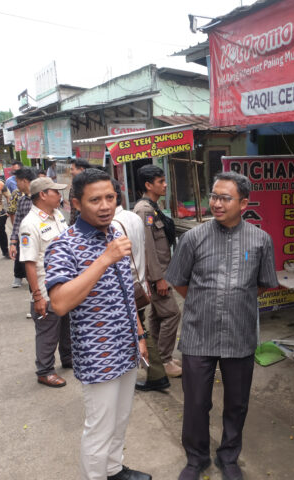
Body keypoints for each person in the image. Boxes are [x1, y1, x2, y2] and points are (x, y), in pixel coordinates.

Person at [166, 171, 278, 480]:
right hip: (198, 333)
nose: (216, 203)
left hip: (239, 335)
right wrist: (205, 302)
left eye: (224, 198)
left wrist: (235, 302)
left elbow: (264, 285)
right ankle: (196, 457)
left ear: (243, 203)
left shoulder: (260, 240)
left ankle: (229, 457)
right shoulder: (193, 238)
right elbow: (178, 281)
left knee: (237, 402)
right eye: (214, 196)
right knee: (196, 402)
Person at [45, 169, 151, 480]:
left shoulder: (115, 234)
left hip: (127, 344)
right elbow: (60, 302)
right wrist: (103, 259)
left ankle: (114, 469)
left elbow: (125, 293)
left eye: (110, 198)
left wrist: (140, 334)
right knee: (100, 427)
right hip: (98, 353)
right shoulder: (63, 245)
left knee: (120, 419)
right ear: (75, 203)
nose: (104, 206)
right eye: (95, 200)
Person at [113, 178, 171, 392]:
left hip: (127, 287)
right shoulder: (132, 216)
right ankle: (155, 371)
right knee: (143, 326)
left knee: (140, 330)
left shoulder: (115, 224)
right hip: (140, 284)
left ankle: (157, 373)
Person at [19, 177, 72, 387]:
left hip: (66, 284)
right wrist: (37, 296)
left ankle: (68, 359)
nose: (60, 195)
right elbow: (29, 263)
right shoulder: (30, 224)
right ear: (42, 195)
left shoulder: (57, 215)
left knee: (67, 326)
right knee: (48, 331)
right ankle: (45, 370)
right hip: (46, 288)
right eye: (55, 192)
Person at [133, 165, 182, 383]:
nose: (165, 185)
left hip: (161, 271)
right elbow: (147, 247)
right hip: (156, 275)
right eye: (161, 181)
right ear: (148, 185)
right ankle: (164, 359)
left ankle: (158, 359)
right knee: (172, 314)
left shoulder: (153, 207)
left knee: (157, 316)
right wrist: (158, 278)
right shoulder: (145, 210)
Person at [8, 167, 37, 288]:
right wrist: (13, 242)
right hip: (25, 240)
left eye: (17, 181)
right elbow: (17, 223)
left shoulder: (42, 198)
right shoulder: (22, 200)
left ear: (24, 181)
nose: (16, 184)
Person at [68, 158, 90, 225]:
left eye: (72, 169)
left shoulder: (89, 186)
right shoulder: (75, 184)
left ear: (81, 169)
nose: (70, 172)